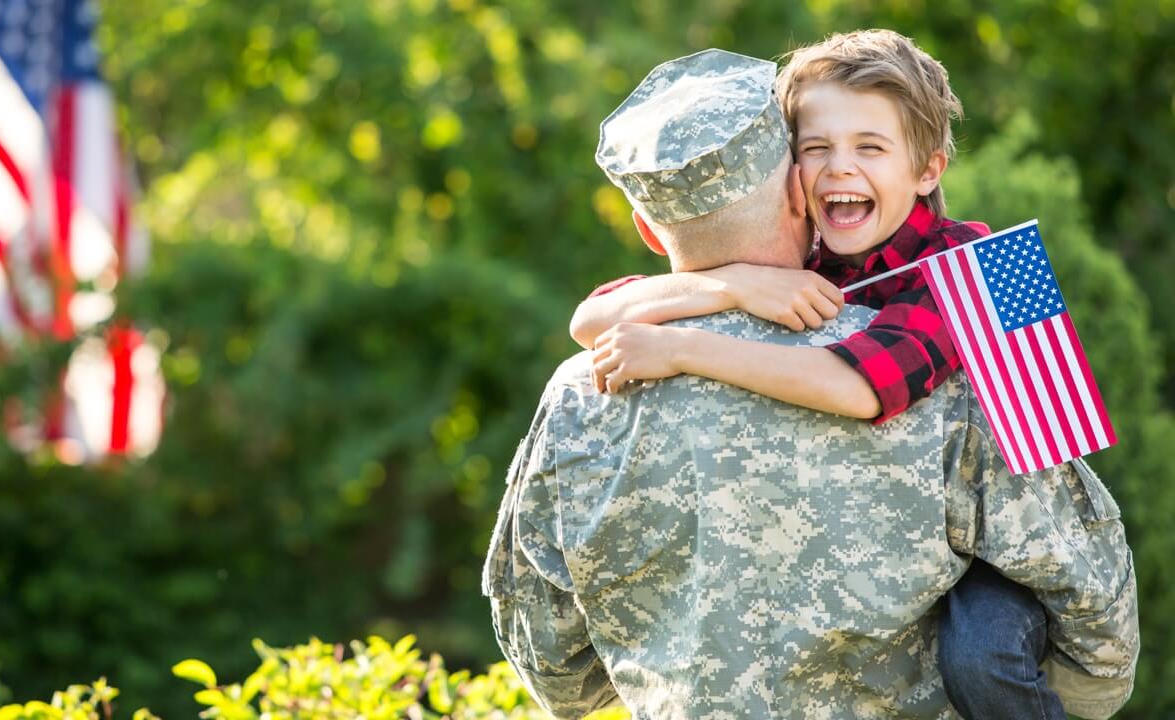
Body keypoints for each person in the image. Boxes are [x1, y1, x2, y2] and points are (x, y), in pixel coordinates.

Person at [483, 49, 1137, 720]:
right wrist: (732, 286)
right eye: (816, 148)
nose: (840, 168)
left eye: (871, 147)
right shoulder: (821, 264)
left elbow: (861, 388)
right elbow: (1096, 633)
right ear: (796, 184)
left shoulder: (962, 275)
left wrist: (685, 345)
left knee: (984, 649)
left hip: (978, 606)